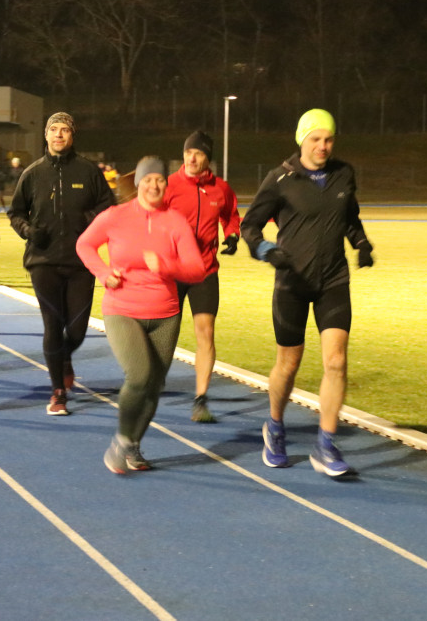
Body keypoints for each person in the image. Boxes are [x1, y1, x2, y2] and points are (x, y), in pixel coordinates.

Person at [240, 109, 375, 478]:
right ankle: (275, 426)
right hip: (292, 283)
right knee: (289, 363)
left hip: (333, 280)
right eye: (315, 139)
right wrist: (266, 250)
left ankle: (326, 444)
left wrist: (361, 243)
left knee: (336, 361)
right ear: (301, 140)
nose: (323, 146)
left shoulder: (343, 174)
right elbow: (249, 226)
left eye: (328, 139)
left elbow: (350, 217)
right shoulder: (280, 178)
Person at [76, 156, 207, 473]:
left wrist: (167, 266)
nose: (154, 184)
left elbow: (197, 268)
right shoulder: (115, 216)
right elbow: (85, 245)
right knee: (139, 376)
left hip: (165, 312)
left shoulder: (175, 221)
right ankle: (121, 441)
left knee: (154, 385)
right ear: (138, 184)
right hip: (123, 308)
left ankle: (133, 446)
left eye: (160, 179)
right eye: (148, 179)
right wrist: (104, 273)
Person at [8, 112, 115, 415]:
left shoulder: (89, 172)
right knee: (52, 327)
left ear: (72, 136)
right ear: (45, 135)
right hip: (43, 262)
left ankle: (63, 357)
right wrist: (29, 232)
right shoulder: (32, 173)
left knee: (77, 331)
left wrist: (88, 220)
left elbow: (109, 209)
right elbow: (16, 213)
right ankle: (57, 392)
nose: (58, 135)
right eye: (53, 130)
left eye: (64, 130)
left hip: (81, 262)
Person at [163, 130, 241, 423]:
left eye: (198, 153)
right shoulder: (169, 185)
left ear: (208, 158)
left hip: (204, 270)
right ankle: (149, 381)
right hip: (172, 270)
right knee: (164, 333)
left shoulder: (221, 188)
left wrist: (232, 235)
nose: (191, 157)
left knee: (205, 332)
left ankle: (200, 399)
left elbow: (231, 215)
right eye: (187, 152)